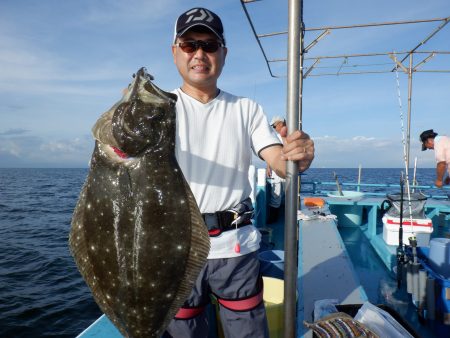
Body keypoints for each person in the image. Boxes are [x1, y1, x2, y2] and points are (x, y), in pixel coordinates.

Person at [165, 7, 314, 338]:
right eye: (190, 45)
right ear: (175, 51)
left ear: (223, 53)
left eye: (209, 45)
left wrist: (295, 157)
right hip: (175, 250)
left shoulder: (246, 109)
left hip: (236, 248)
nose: (200, 54)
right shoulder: (158, 108)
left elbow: (274, 156)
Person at [266, 116, 287, 223]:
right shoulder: (275, 137)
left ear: (280, 123)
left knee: (288, 195)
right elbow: (270, 154)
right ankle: (274, 219)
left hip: (289, 172)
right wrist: (268, 167)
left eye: (274, 126)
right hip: (277, 171)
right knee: (276, 195)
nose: (273, 128)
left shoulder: (290, 136)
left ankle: (287, 218)